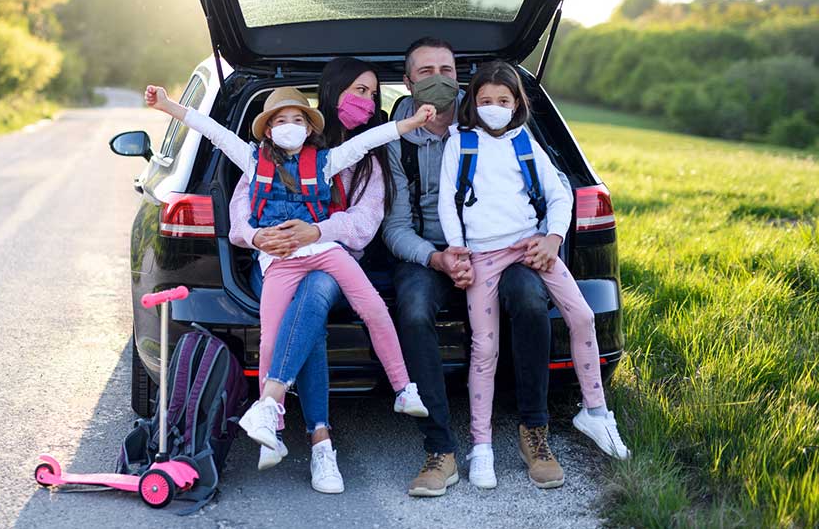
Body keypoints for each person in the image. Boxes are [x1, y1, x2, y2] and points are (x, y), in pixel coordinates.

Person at [142, 79, 434, 456]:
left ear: (311, 128)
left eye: (298, 119)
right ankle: (271, 426)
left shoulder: (326, 162)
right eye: (280, 121)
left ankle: (403, 387)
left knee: (374, 307)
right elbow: (211, 130)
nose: (290, 126)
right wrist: (168, 106)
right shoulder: (250, 160)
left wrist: (409, 124)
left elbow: (367, 142)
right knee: (270, 338)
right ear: (267, 130)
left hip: (325, 252)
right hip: (279, 263)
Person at [382, 38, 569, 496]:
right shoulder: (398, 138)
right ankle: (440, 450)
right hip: (430, 252)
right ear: (407, 83)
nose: (439, 78)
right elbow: (395, 225)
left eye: (447, 68)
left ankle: (534, 432)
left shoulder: (494, 111)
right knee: (413, 309)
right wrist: (438, 257)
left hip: (503, 248)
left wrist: (548, 237)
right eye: (425, 71)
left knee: (528, 298)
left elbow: (553, 180)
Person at [438, 60, 631, 489]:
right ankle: (481, 446)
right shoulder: (461, 143)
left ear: (516, 104)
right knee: (484, 348)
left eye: (502, 101)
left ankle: (595, 413)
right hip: (484, 257)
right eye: (485, 100)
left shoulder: (525, 141)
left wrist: (553, 239)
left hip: (531, 248)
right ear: (472, 103)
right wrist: (458, 249)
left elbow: (560, 195)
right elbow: (447, 204)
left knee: (582, 317)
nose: (493, 107)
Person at [226, 57, 399, 493]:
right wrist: (256, 237)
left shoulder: (365, 161)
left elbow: (363, 224)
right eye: (359, 90)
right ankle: (320, 440)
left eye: (373, 95)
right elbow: (242, 205)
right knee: (310, 317)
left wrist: (317, 230)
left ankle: (277, 410)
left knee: (317, 291)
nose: (368, 101)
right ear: (334, 92)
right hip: (278, 259)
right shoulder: (276, 156)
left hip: (333, 260)